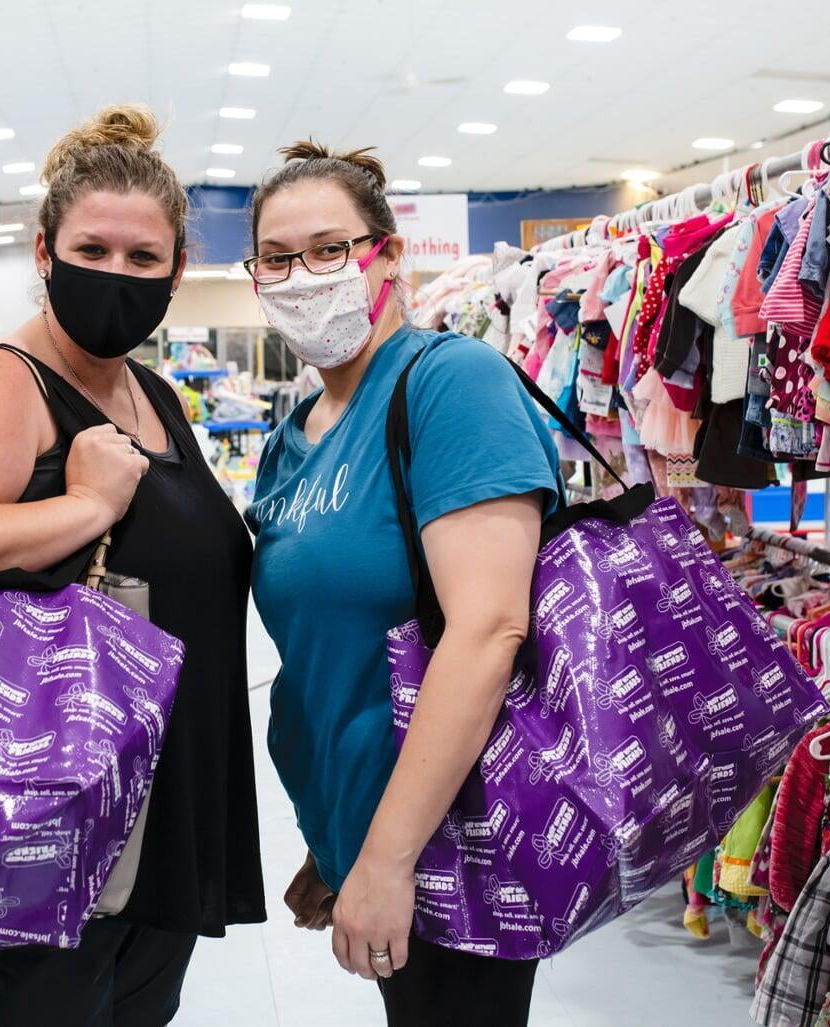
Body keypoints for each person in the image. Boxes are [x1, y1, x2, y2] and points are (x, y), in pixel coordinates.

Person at [0, 104, 265, 1027]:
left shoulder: (150, 393)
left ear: (178, 270)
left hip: (135, 840)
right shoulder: (5, 379)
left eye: (144, 258)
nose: (117, 275)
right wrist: (80, 508)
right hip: (19, 854)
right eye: (93, 249)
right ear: (43, 250)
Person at [245, 142, 562, 1027]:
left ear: (386, 257)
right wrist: (337, 841)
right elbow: (324, 655)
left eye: (329, 248)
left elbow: (491, 625)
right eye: (277, 257)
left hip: (456, 836)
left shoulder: (449, 381)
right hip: (365, 824)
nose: (302, 274)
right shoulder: (292, 435)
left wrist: (385, 858)